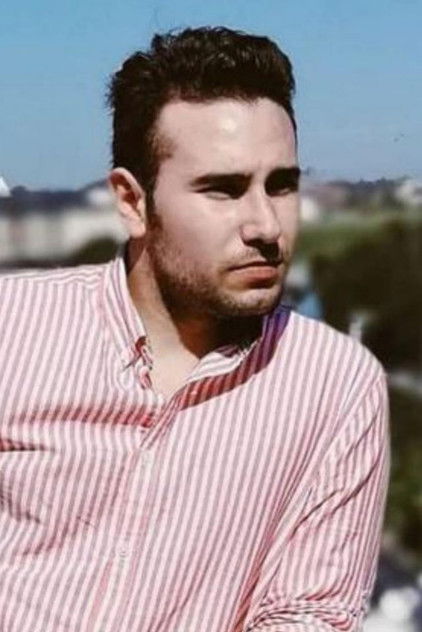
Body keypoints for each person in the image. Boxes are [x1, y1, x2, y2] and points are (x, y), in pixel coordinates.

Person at [0, 26, 389, 632]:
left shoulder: (337, 386)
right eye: (223, 190)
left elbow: (311, 614)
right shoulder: (13, 327)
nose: (266, 225)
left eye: (282, 185)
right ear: (133, 202)